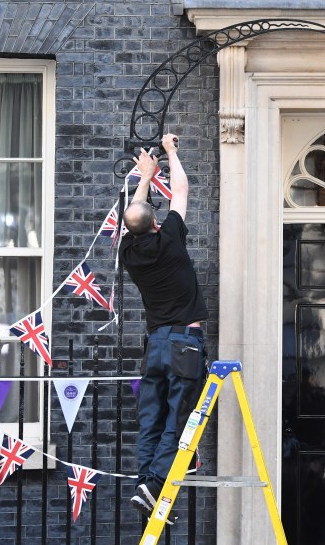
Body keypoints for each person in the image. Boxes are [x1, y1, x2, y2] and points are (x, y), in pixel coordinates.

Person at [120, 132, 209, 518]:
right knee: (180, 417)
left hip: (155, 344)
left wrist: (144, 175)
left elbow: (134, 213)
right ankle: (156, 483)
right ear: (157, 223)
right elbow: (182, 191)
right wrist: (170, 153)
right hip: (184, 342)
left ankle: (145, 483)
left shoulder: (128, 251)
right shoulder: (170, 238)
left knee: (151, 418)